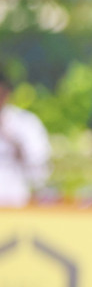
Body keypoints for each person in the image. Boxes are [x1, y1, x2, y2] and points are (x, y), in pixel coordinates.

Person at [0, 71, 51, 206]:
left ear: (7, 93)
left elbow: (40, 173)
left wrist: (13, 141)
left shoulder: (26, 123)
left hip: (17, 206)